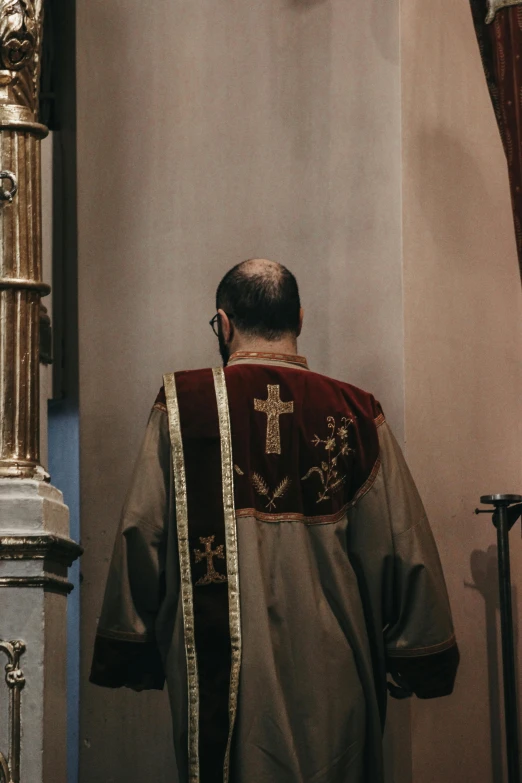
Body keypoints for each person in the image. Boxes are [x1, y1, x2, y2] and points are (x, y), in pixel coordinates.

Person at [90, 258, 459, 783]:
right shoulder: (356, 414)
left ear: (223, 323)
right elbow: (403, 545)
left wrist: (131, 647)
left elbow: (140, 536)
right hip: (337, 687)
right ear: (300, 318)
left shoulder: (183, 408)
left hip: (232, 697)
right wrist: (418, 655)